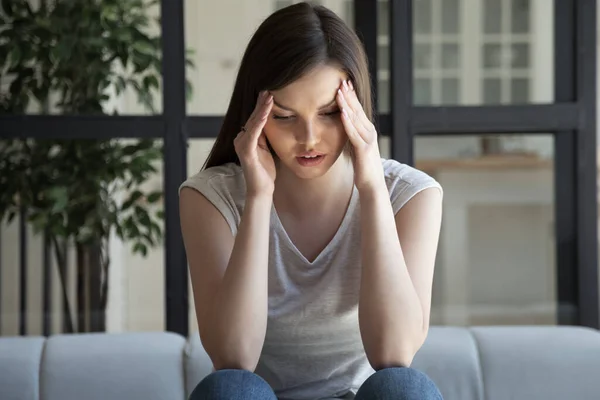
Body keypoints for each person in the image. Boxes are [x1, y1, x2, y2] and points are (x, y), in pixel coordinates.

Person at [179, 2, 444, 399]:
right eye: (285, 116)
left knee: (404, 388)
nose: (309, 138)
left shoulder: (411, 195)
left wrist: (371, 190)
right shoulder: (210, 198)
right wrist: (258, 197)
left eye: (329, 113)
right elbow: (233, 357)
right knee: (229, 389)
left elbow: (394, 352)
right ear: (254, 115)